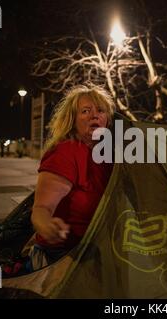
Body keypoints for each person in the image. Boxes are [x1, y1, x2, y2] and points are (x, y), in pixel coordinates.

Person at [24, 85, 114, 272]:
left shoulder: (109, 155)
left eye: (100, 110)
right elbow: (41, 209)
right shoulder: (65, 152)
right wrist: (47, 225)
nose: (94, 115)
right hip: (64, 258)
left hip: (100, 250)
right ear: (72, 120)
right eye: (85, 111)